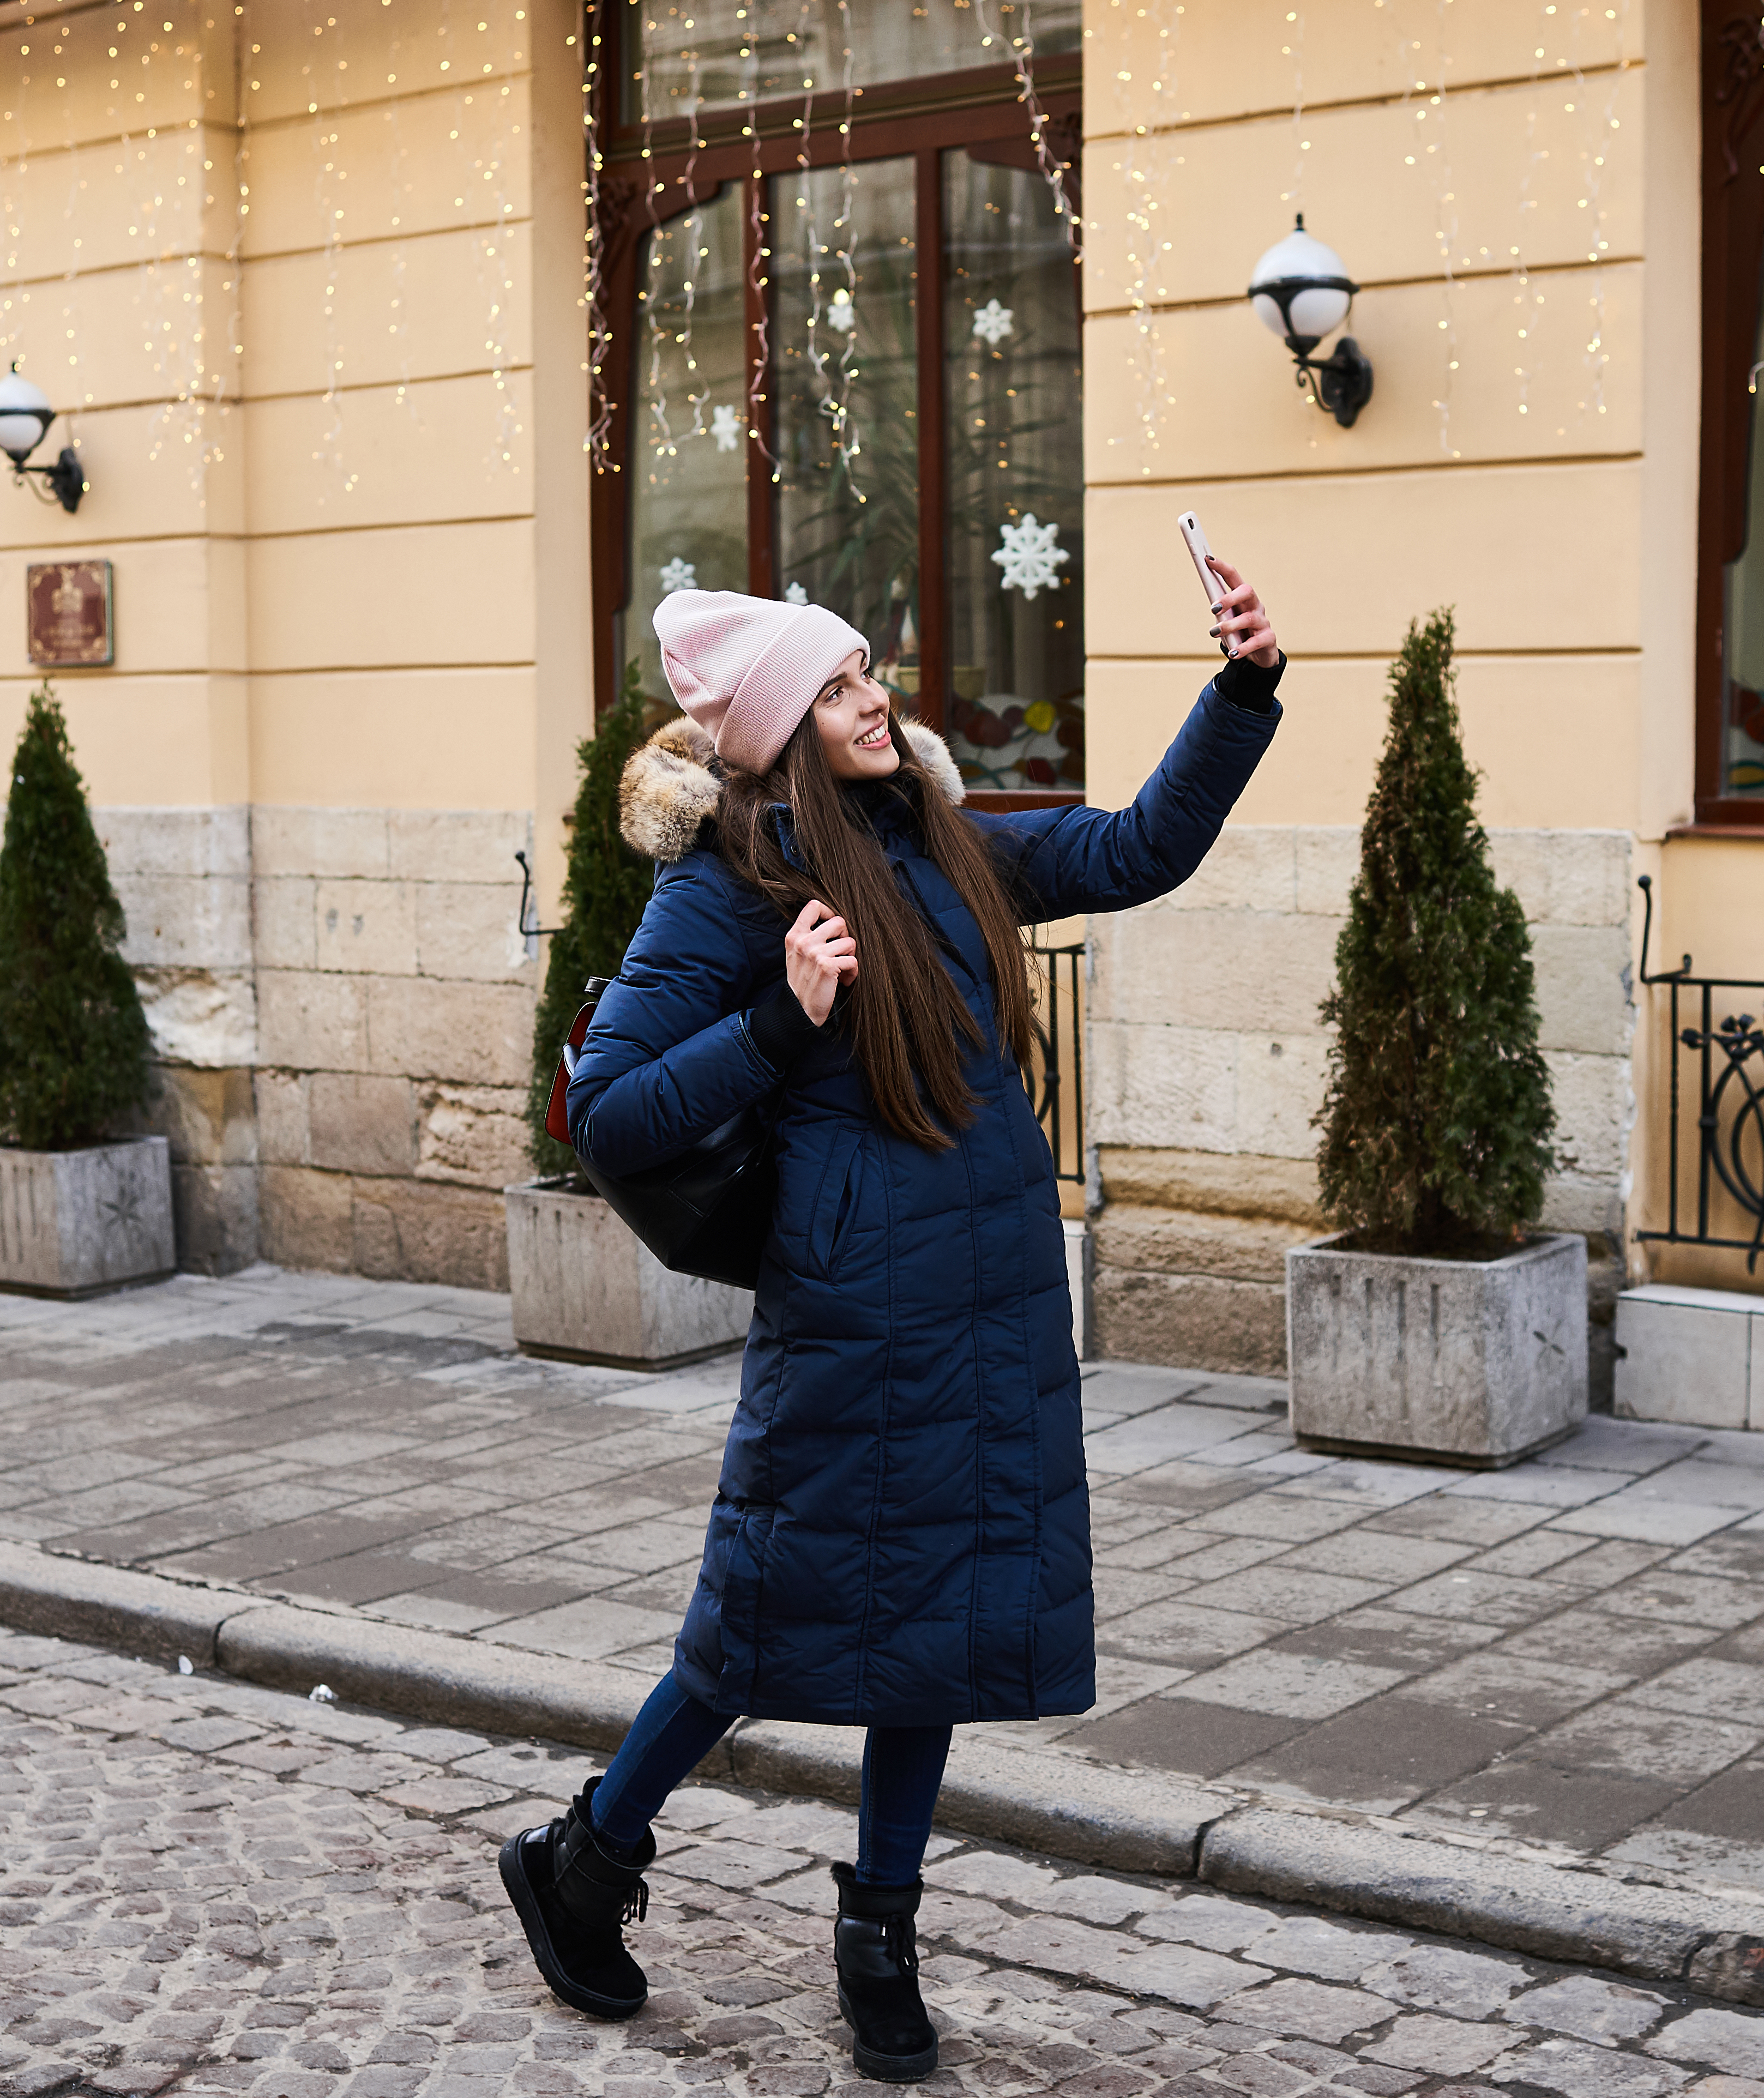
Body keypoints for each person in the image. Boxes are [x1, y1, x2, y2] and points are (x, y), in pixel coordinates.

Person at [502, 559, 1283, 2082]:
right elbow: (610, 1112)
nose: (877, 700)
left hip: (989, 1305)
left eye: (869, 673)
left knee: (938, 1631)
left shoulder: (943, 840)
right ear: (782, 727)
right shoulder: (723, 888)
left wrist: (1241, 690)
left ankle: (878, 1940)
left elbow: (1137, 847)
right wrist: (776, 1018)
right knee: (752, 1626)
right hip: (855, 1320)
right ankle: (587, 1856)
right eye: (840, 686)